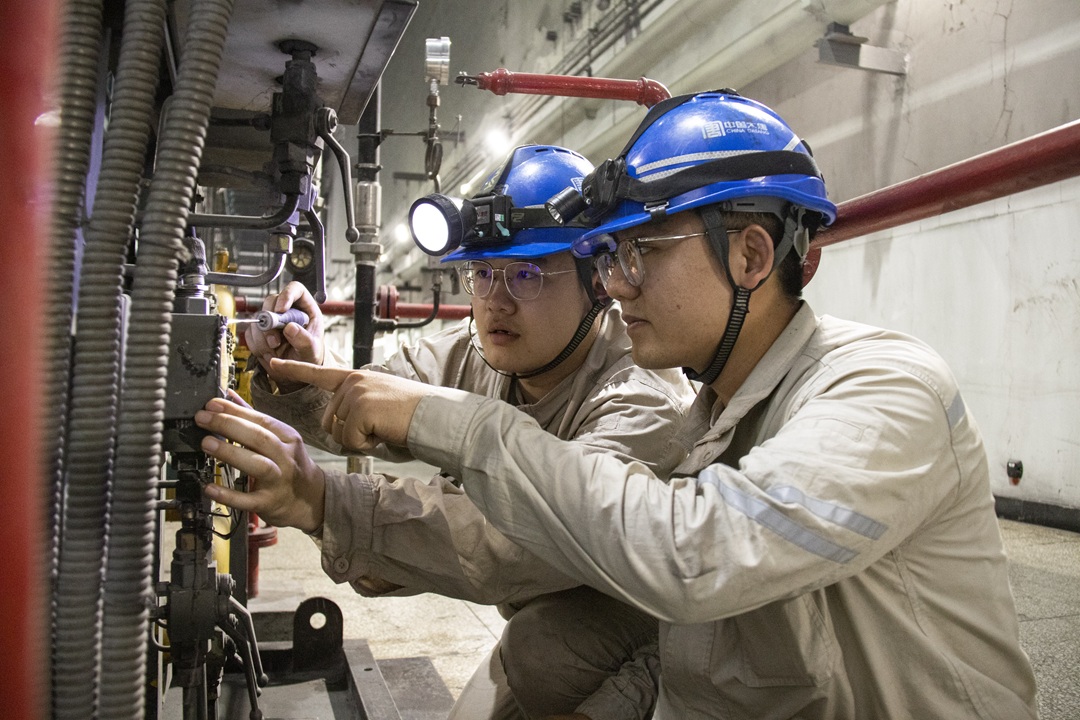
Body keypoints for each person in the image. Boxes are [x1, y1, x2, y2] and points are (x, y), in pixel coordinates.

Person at [207, 90, 1042, 719]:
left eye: (640, 254)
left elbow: (693, 557)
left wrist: (425, 441)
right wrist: (302, 380)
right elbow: (696, 655)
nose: (617, 284)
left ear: (753, 255)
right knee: (547, 652)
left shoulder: (883, 387)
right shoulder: (714, 413)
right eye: (610, 257)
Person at [213, 143, 696, 719]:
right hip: (562, 612)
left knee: (543, 652)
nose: (495, 303)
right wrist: (301, 368)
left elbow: (510, 544)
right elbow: (373, 399)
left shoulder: (643, 400)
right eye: (482, 273)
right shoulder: (481, 355)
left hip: (672, 645)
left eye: (526, 274)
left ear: (597, 282)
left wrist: (323, 502)